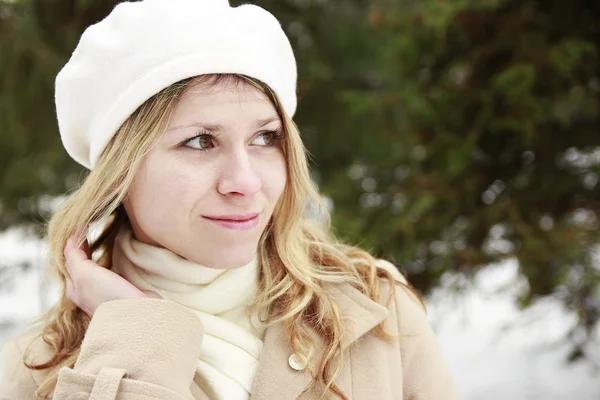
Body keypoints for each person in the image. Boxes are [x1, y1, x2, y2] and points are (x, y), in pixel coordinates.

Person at [0, 0, 458, 399]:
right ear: (120, 172)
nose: (245, 182)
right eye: (200, 142)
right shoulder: (37, 371)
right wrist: (135, 330)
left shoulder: (374, 309)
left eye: (264, 137)